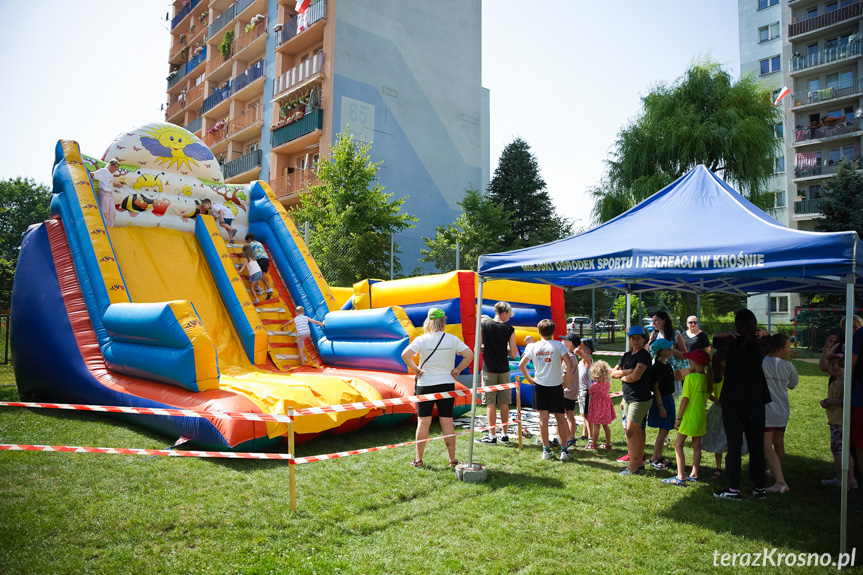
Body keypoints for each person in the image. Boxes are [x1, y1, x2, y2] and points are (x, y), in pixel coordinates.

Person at [401, 308, 474, 468]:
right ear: (443, 322)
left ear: (429, 322)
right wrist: (457, 370)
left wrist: (415, 369)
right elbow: (470, 354)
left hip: (425, 383)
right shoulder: (452, 339)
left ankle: (418, 460)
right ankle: (452, 461)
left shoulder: (422, 339)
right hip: (446, 383)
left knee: (423, 422)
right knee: (447, 422)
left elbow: (405, 354)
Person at [712, 309, 772, 500]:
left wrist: (727, 334)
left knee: (734, 445)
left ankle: (733, 489)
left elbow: (714, 339)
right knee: (756, 444)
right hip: (755, 399)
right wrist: (764, 333)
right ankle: (759, 487)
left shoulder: (731, 343)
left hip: (734, 399)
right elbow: (772, 340)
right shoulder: (760, 344)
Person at [519, 319, 575, 462]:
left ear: (539, 332)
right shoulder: (558, 345)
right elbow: (570, 364)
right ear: (553, 331)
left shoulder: (533, 346)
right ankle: (564, 450)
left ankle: (546, 450)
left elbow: (521, 365)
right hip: (555, 386)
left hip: (541, 385)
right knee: (560, 419)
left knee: (543, 419)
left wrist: (530, 380)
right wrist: (567, 381)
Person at [662, 349, 710, 486]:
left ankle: (680, 477)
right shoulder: (706, 378)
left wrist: (679, 419)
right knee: (696, 445)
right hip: (701, 417)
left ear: (695, 362)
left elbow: (684, 400)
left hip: (689, 417)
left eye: (690, 359)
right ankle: (694, 474)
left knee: (678, 445)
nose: (688, 361)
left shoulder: (690, 378)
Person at [611, 325, 652, 475]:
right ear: (629, 339)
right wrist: (628, 372)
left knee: (630, 432)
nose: (635, 340)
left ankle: (633, 466)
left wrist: (625, 375)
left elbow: (636, 377)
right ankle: (638, 463)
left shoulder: (644, 356)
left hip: (640, 399)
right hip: (628, 397)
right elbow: (613, 373)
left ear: (643, 339)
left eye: (638, 338)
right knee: (637, 432)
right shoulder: (627, 355)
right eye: (633, 338)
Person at [476, 301, 519, 445]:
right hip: (504, 369)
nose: (510, 318)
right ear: (505, 312)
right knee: (504, 403)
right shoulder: (509, 329)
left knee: (490, 403)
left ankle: (492, 435)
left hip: (489, 368)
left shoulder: (484, 326)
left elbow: (478, 347)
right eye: (509, 315)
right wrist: (503, 350)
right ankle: (505, 434)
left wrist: (487, 349)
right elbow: (513, 354)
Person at [701, 349, 747, 481]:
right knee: (718, 439)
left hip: (732, 409)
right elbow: (708, 392)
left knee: (730, 438)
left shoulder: (732, 374)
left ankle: (730, 465)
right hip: (719, 411)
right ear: (722, 363)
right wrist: (717, 400)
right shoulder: (714, 376)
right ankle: (718, 467)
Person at [762, 333, 799, 494]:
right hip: (782, 411)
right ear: (779, 348)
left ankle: (780, 482)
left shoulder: (761, 363)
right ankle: (774, 471)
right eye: (788, 347)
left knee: (765, 446)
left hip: (767, 411)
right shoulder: (788, 366)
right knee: (778, 443)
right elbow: (792, 384)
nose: (789, 350)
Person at [820, 354, 858, 489]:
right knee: (846, 452)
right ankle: (851, 480)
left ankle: (841, 480)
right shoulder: (836, 381)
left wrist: (828, 401)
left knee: (838, 452)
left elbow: (847, 402)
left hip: (839, 422)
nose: (835, 367)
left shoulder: (845, 383)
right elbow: (824, 362)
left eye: (840, 365)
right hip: (838, 421)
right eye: (833, 365)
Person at [647, 339, 676, 470]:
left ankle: (659, 456)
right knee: (663, 429)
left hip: (668, 399)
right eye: (668, 348)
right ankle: (654, 458)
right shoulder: (657, 367)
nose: (671, 349)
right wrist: (660, 406)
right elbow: (656, 388)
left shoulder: (667, 365)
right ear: (660, 351)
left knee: (665, 430)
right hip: (662, 400)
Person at [648, 310, 690, 385]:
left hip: (672, 371)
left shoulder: (675, 334)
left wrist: (670, 350)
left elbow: (685, 355)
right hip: (657, 368)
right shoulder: (654, 334)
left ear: (664, 321)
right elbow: (648, 351)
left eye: (656, 320)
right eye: (653, 321)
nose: (653, 323)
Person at [560, 333, 583, 449]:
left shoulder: (569, 357)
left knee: (562, 415)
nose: (562, 342)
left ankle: (567, 437)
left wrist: (558, 384)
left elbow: (564, 376)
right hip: (573, 390)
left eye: (564, 340)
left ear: (570, 344)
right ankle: (571, 437)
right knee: (570, 414)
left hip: (566, 391)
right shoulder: (573, 356)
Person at [587, 360, 616, 449]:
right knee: (606, 426)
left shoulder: (594, 385)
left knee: (596, 427)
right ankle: (608, 444)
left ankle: (593, 444)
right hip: (606, 406)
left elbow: (590, 392)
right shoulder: (607, 382)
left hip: (597, 407)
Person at [577, 339, 596, 449]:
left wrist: (575, 345)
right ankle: (585, 434)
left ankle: (591, 437)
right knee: (583, 414)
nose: (579, 347)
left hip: (587, 391)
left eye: (582, 346)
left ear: (588, 350)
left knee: (587, 415)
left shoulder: (588, 359)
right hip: (581, 390)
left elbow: (577, 351)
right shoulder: (581, 361)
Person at [90, 158, 120, 227]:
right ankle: (102, 226)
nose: (116, 169)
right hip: (104, 193)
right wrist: (89, 172)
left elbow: (108, 182)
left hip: (110, 194)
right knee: (105, 212)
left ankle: (110, 228)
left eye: (117, 168)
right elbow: (94, 175)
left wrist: (116, 185)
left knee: (112, 212)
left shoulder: (111, 174)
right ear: (110, 165)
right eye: (115, 167)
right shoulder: (103, 171)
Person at [244, 234, 273, 299]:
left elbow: (246, 253)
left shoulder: (250, 244)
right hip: (266, 259)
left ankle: (257, 287)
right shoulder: (259, 243)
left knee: (255, 272)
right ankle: (269, 289)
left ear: (249, 239)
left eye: (247, 241)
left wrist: (239, 254)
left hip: (259, 259)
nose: (248, 243)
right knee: (263, 277)